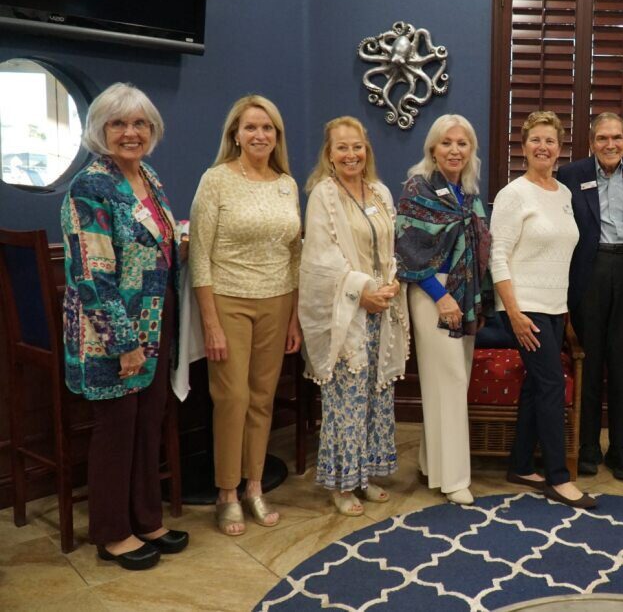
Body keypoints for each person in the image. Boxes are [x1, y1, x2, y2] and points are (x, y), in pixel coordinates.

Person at [61, 83, 188, 570]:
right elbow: (92, 274)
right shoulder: (91, 186)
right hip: (110, 334)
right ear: (100, 130)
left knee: (147, 423)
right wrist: (123, 344)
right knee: (118, 429)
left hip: (156, 321)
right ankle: (113, 532)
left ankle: (146, 518)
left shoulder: (148, 176)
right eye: (119, 123)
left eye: (139, 123)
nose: (130, 133)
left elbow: (154, 242)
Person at [189, 95, 302, 535]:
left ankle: (254, 486)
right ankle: (226, 492)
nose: (260, 135)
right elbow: (199, 256)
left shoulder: (286, 184)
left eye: (268, 128)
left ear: (277, 136)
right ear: (235, 134)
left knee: (262, 397)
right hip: (229, 302)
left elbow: (295, 255)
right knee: (231, 399)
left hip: (277, 301)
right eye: (251, 127)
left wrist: (293, 318)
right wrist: (211, 321)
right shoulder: (215, 180)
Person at [298, 116, 408, 516]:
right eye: (341, 147)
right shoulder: (323, 195)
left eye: (357, 146)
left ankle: (367, 474)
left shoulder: (379, 192)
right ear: (329, 154)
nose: (351, 154)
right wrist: (362, 288)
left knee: (376, 395)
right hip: (346, 311)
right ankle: (342, 483)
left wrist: (390, 284)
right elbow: (322, 259)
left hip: (382, 307)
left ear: (367, 150)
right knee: (345, 397)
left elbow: (389, 245)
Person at [491, 110, 595, 509]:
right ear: (523, 146)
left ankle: (520, 464)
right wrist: (514, 313)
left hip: (554, 308)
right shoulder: (513, 194)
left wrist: (564, 310)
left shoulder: (564, 194)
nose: (543, 146)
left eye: (550, 140)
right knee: (553, 386)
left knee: (538, 386)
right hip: (525, 308)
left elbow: (561, 255)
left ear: (560, 148)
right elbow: (497, 257)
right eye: (535, 139)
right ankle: (557, 477)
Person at [395, 114, 492, 505]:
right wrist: (441, 295)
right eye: (447, 143)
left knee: (452, 380)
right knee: (449, 381)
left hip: (463, 296)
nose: (455, 150)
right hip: (432, 294)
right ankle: (454, 479)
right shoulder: (418, 189)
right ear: (432, 149)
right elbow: (407, 250)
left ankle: (430, 463)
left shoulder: (467, 192)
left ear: (471, 151)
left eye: (463, 143)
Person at [556, 112, 623, 480]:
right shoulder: (571, 175)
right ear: (591, 142)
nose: (610, 145)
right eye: (602, 139)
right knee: (589, 362)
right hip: (588, 273)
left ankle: (621, 449)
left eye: (617, 138)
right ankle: (588, 446)